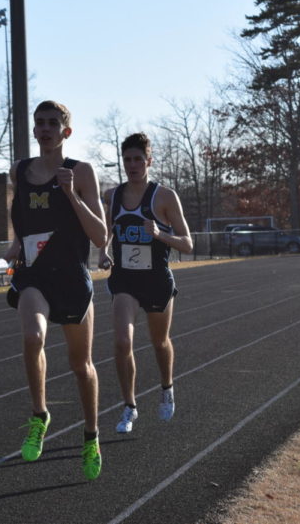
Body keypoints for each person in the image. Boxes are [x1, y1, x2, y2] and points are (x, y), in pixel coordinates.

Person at [3, 100, 107, 480]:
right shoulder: (21, 171)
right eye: (39, 123)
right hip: (35, 275)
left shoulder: (80, 172)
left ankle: (91, 437)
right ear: (34, 130)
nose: (45, 128)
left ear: (67, 131)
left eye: (53, 123)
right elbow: (22, 220)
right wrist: (16, 246)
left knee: (82, 366)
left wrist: (72, 196)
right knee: (33, 336)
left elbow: (99, 235)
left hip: (72, 277)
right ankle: (39, 415)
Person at [99, 133, 193, 434]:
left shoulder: (164, 197)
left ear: (149, 161)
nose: (132, 165)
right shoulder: (112, 196)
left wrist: (159, 234)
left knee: (159, 342)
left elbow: (188, 244)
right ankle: (129, 406)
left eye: (138, 159)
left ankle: (166, 388)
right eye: (127, 159)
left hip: (156, 279)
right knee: (122, 341)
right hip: (125, 279)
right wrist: (102, 252)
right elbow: (107, 232)